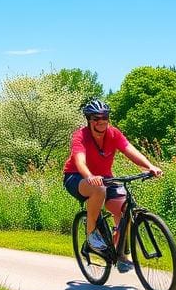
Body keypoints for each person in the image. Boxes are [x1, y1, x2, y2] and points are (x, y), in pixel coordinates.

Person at [63, 98, 162, 273]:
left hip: (105, 178)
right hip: (77, 177)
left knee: (125, 210)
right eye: (95, 118)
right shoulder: (81, 136)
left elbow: (131, 151)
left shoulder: (114, 134)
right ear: (89, 120)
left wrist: (150, 166)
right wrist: (90, 176)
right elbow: (80, 162)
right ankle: (91, 235)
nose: (101, 121)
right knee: (98, 189)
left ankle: (120, 253)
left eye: (104, 117)